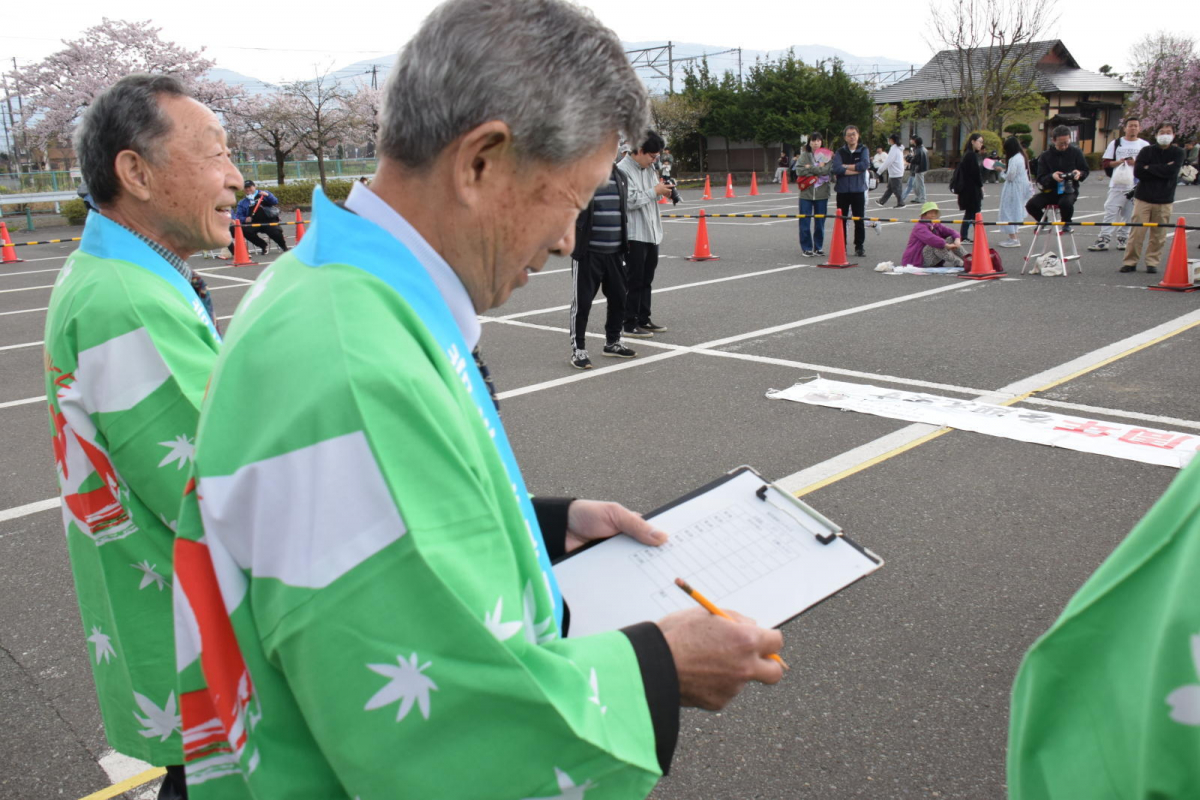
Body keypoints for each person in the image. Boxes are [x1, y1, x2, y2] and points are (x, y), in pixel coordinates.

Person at [171, 2, 784, 798]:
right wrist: (662, 667)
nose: (568, 240)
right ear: (481, 161)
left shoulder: (334, 285)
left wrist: (541, 523)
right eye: (571, 198)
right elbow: (449, 732)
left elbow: (377, 532)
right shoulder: (356, 363)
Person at [43, 74, 236, 800]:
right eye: (215, 152)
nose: (235, 175)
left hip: (174, 628)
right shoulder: (127, 299)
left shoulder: (116, 276)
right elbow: (227, 484)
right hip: (203, 641)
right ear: (136, 172)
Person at [569, 152, 635, 369]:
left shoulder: (621, 177)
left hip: (616, 252)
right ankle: (578, 350)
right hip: (589, 253)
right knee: (583, 304)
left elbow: (622, 212)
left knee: (619, 298)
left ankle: (613, 342)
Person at [618, 130, 671, 338]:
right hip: (634, 233)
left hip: (651, 231)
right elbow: (628, 201)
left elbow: (652, 193)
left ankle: (643, 318)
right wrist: (654, 192)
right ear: (639, 151)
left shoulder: (648, 168)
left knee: (647, 278)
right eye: (651, 155)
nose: (654, 160)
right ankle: (628, 322)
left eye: (656, 156)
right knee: (634, 279)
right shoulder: (622, 170)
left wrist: (665, 191)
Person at [1121, 122, 1185, 274]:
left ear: (1174, 135)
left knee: (1159, 234)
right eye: (1162, 132)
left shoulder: (1178, 152)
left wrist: (1150, 168)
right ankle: (1130, 261)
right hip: (1143, 197)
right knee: (1137, 232)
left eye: (1168, 132)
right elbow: (1138, 172)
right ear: (1156, 135)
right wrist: (1162, 167)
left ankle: (1152, 262)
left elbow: (1172, 172)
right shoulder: (1146, 151)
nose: (1165, 135)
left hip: (1165, 198)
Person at [1088, 118, 1149, 252]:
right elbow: (1106, 163)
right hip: (1118, 184)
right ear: (1125, 128)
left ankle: (1123, 237)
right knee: (1111, 210)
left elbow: (1149, 165)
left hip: (1136, 185)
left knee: (1129, 214)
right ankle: (1104, 238)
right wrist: (1120, 162)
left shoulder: (1144, 145)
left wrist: (1136, 163)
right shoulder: (1116, 143)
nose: (1133, 128)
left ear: (1139, 128)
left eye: (1135, 126)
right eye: (1130, 126)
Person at [1026, 126, 1089, 235]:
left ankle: (1067, 223)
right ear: (1053, 140)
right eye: (1061, 143)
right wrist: (1052, 176)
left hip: (1069, 189)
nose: (1064, 146)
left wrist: (1079, 174)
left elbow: (1085, 170)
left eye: (1067, 142)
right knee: (1031, 204)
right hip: (1050, 190)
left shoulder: (1076, 152)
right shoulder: (1045, 156)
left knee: (1066, 203)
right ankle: (1043, 221)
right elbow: (1040, 178)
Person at [830, 125, 871, 257]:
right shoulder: (840, 152)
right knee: (842, 219)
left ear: (858, 135)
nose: (852, 137)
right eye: (849, 135)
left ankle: (859, 246)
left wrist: (846, 167)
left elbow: (864, 166)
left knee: (859, 219)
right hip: (842, 191)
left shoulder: (863, 150)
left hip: (858, 190)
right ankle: (842, 245)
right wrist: (855, 170)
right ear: (845, 138)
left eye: (854, 134)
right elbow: (836, 168)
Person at [795, 132, 833, 257]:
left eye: (818, 140)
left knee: (820, 222)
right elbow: (799, 170)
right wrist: (816, 168)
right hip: (806, 193)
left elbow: (826, 170)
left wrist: (809, 168)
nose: (815, 143)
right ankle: (806, 248)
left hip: (822, 193)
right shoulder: (804, 155)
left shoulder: (826, 155)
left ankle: (818, 247)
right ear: (809, 142)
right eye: (813, 140)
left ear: (821, 142)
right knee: (804, 222)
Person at [901, 201, 965, 268]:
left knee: (951, 238)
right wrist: (946, 245)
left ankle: (968, 259)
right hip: (919, 260)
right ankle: (959, 262)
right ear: (924, 214)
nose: (933, 214)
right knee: (936, 245)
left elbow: (951, 231)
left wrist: (957, 239)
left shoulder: (935, 224)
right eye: (930, 212)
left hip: (932, 257)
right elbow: (931, 239)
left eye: (935, 212)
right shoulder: (919, 227)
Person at [235, 180, 288, 255]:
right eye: (245, 188)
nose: (247, 189)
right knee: (245, 231)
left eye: (249, 187)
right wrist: (245, 219)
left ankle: (284, 246)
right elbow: (238, 216)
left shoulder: (264, 194)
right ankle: (263, 245)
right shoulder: (242, 202)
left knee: (275, 231)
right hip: (253, 223)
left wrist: (268, 195)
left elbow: (275, 201)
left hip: (268, 220)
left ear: (254, 186)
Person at [997, 135, 1031, 248]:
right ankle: (1014, 236)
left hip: (1013, 189)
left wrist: (1001, 171)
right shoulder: (1021, 156)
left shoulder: (1014, 158)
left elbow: (1010, 176)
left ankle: (1013, 238)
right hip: (1021, 188)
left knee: (1008, 212)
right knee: (1016, 211)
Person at [953, 133, 987, 242]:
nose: (981, 144)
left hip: (968, 189)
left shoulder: (969, 154)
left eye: (982, 142)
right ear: (972, 141)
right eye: (979, 141)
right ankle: (971, 236)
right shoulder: (971, 155)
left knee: (971, 213)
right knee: (974, 212)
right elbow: (975, 173)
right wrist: (981, 186)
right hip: (971, 190)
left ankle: (966, 235)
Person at [876, 133, 906, 208]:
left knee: (896, 188)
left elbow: (888, 161)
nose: (888, 141)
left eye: (889, 139)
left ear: (892, 140)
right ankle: (882, 201)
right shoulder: (898, 148)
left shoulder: (894, 149)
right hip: (896, 171)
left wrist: (879, 171)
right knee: (890, 188)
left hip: (895, 172)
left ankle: (901, 203)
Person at [900, 135, 928, 205]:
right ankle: (919, 197)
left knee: (920, 184)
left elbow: (915, 160)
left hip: (919, 169)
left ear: (915, 141)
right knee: (915, 184)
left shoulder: (918, 150)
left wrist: (908, 158)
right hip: (921, 168)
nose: (911, 141)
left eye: (912, 140)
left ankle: (922, 198)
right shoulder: (922, 149)